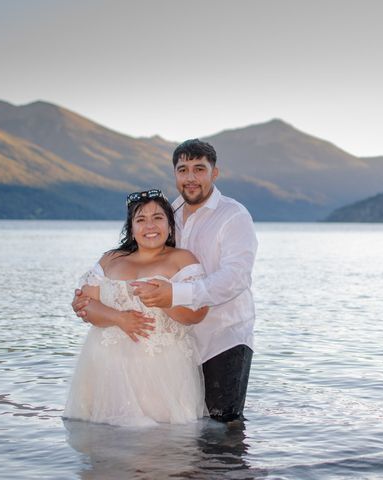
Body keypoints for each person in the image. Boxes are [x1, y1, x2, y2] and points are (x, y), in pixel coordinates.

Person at [74, 139, 258, 422]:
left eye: (199, 169)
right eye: (183, 170)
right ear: (175, 174)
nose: (191, 177)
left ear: (214, 173)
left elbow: (236, 277)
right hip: (175, 342)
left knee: (223, 427)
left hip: (223, 336)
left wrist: (176, 295)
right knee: (185, 428)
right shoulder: (170, 212)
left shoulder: (233, 216)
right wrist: (95, 302)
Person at [64, 190, 209, 426]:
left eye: (158, 218)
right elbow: (84, 306)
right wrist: (119, 318)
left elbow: (198, 313)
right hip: (107, 368)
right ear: (131, 228)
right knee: (107, 445)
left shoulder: (183, 260)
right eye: (141, 219)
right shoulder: (110, 260)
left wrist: (165, 301)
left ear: (170, 226)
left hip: (163, 368)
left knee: (162, 444)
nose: (149, 225)